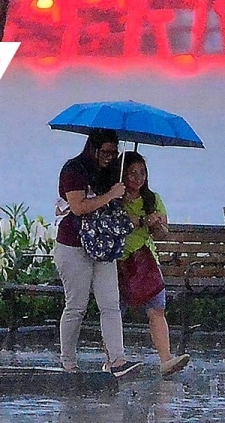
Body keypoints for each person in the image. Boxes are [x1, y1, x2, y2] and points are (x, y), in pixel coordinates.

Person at [54, 129, 142, 378]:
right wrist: (110, 195)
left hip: (104, 246)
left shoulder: (111, 173)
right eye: (105, 152)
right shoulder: (74, 170)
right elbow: (79, 207)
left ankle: (117, 359)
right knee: (77, 305)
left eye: (114, 153)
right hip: (73, 245)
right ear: (93, 148)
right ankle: (68, 360)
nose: (110, 157)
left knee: (110, 304)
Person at [118, 150, 190, 377]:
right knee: (114, 311)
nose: (138, 178)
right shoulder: (114, 199)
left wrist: (157, 225)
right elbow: (118, 223)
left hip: (145, 261)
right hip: (118, 261)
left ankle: (166, 358)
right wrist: (140, 221)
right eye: (132, 173)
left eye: (142, 173)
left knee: (157, 308)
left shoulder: (152, 199)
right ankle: (113, 358)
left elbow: (163, 233)